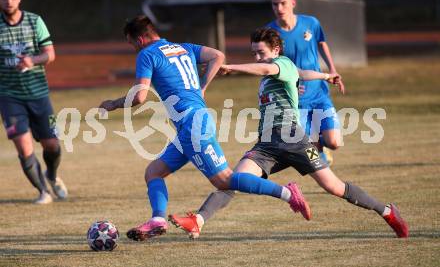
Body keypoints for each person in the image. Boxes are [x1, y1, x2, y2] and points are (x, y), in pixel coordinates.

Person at [169, 28, 409, 239]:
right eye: (253, 53)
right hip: (267, 145)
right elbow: (301, 73)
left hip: (293, 139)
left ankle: (386, 211)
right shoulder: (277, 73)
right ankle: (197, 220)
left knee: (334, 187)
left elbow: (272, 67)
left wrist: (231, 67)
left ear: (275, 50)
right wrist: (326, 76)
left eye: (261, 52)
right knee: (234, 180)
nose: (257, 57)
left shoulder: (280, 64)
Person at [98, 16, 312, 242]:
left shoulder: (146, 54)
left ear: (140, 39)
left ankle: (289, 194)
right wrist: (202, 87)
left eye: (132, 44)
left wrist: (113, 104)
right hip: (190, 126)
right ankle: (158, 220)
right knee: (154, 172)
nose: (134, 49)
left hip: (193, 126)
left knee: (225, 181)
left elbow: (139, 96)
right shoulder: (183, 48)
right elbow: (217, 56)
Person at [0, 0, 67, 204]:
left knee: (52, 145)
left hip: (38, 93)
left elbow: (50, 54)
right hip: (9, 96)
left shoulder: (34, 21)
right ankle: (43, 191)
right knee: (23, 145)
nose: (8, 1)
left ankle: (52, 175)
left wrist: (32, 59)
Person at [268, 0, 345, 165]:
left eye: (283, 3)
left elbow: (321, 43)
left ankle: (323, 146)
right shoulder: (270, 33)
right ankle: (319, 160)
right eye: (274, 4)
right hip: (296, 98)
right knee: (309, 150)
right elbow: (270, 67)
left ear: (292, 2)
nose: (279, 8)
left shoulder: (311, 23)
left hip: (319, 92)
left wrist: (332, 70)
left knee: (334, 142)